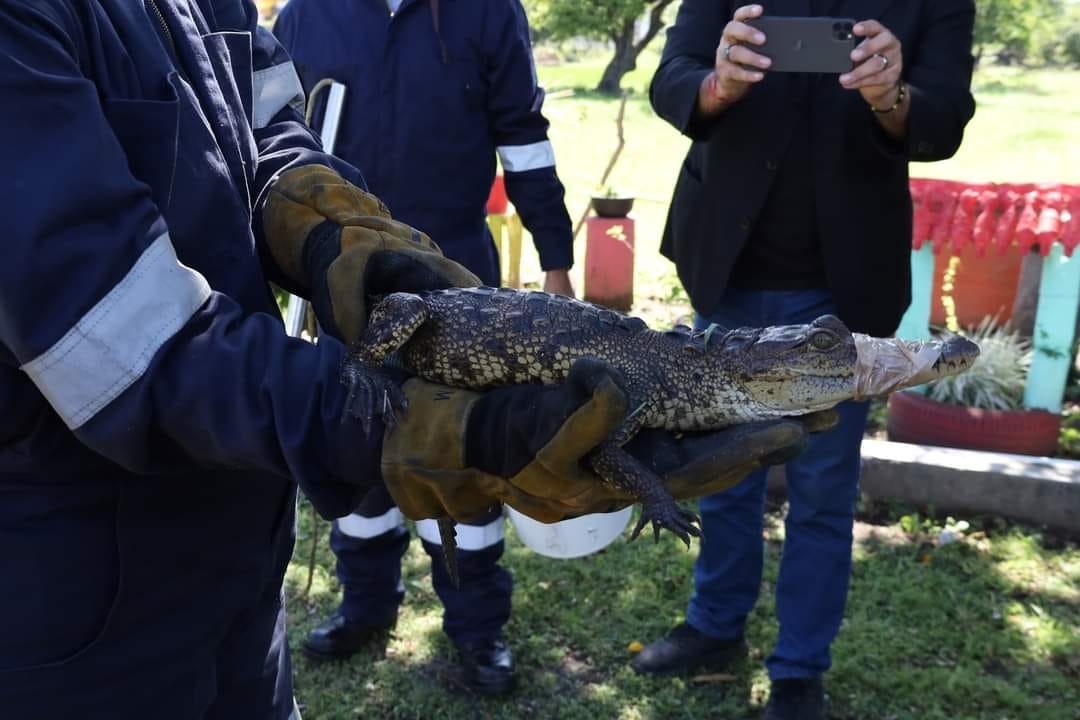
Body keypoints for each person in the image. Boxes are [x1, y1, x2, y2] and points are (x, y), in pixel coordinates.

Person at [0, 2, 819, 715]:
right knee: (431, 459)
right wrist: (372, 411)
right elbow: (117, 336)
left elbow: (273, 129)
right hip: (77, 580)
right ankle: (365, 602)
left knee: (461, 499)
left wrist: (340, 236)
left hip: (367, 352)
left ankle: (476, 632)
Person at [636, 2, 976, 718]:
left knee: (821, 491)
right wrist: (717, 85)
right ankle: (715, 625)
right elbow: (672, 79)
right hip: (727, 269)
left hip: (842, 287)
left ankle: (798, 671)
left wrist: (894, 96)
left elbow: (944, 118)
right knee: (723, 471)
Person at [271, 0, 575, 695]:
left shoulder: (488, 13)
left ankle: (476, 628)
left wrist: (556, 261)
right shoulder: (306, 16)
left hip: (458, 288)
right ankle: (366, 603)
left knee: (462, 464)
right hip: (343, 286)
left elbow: (524, 139)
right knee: (357, 453)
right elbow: (270, 140)